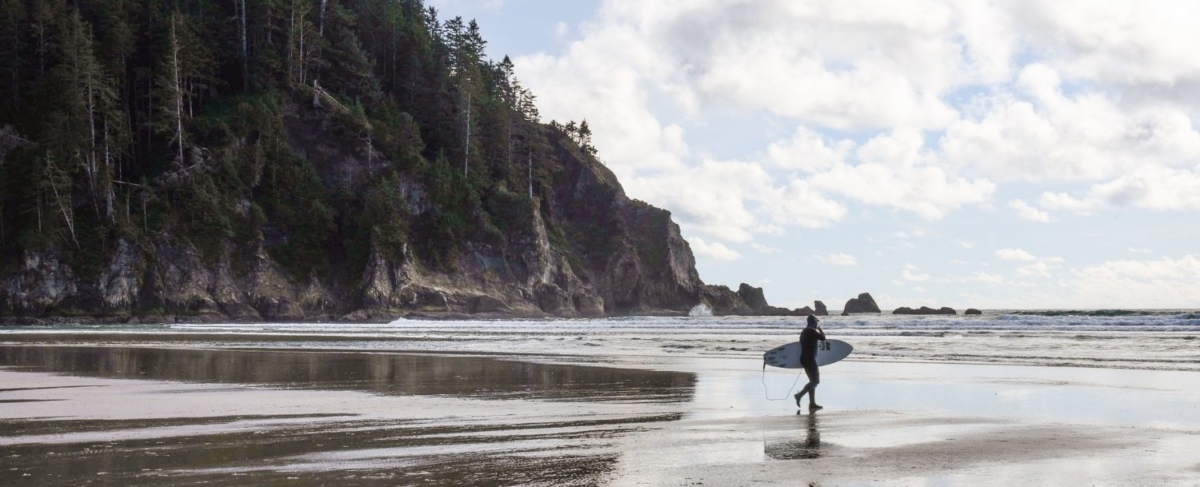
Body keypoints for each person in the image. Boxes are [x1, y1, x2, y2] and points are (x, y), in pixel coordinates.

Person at [794, 314, 826, 412]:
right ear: (813, 322)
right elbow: (823, 338)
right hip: (810, 359)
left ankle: (812, 403)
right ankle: (799, 395)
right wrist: (820, 330)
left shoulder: (804, 331)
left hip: (805, 359)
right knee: (816, 381)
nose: (817, 323)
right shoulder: (812, 331)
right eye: (817, 321)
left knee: (812, 382)